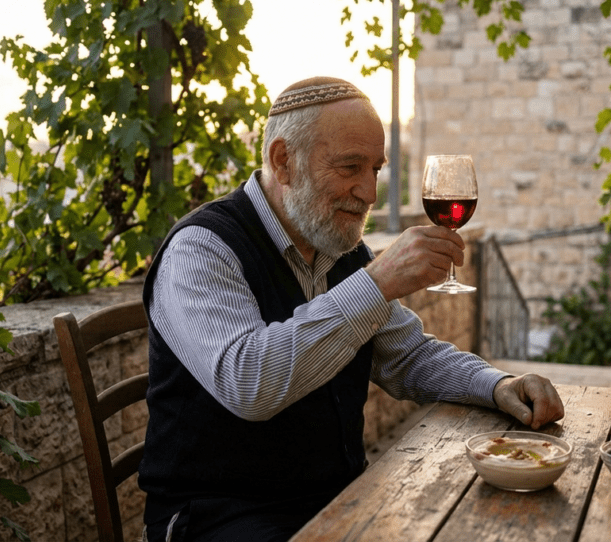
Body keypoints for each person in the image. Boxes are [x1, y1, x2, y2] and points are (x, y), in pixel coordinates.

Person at [137, 76, 564, 542]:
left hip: (337, 503)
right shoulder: (201, 249)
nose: (369, 192)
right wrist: (377, 282)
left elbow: (408, 356)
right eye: (350, 167)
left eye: (375, 169)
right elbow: (249, 384)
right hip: (219, 520)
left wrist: (497, 384)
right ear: (284, 161)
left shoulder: (336, 249)